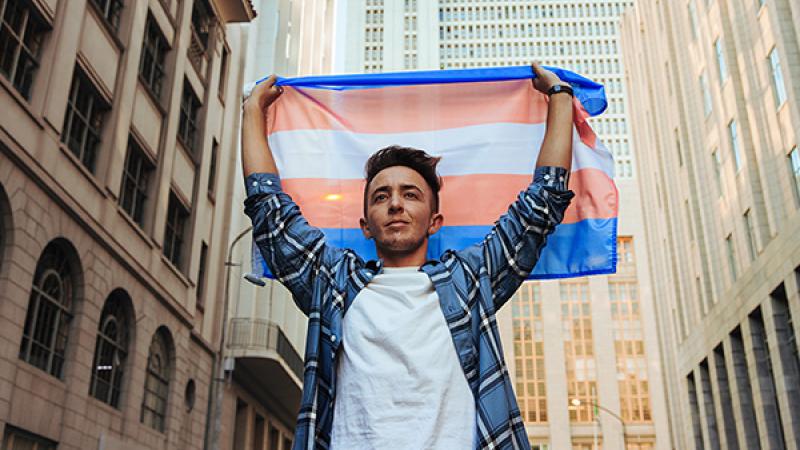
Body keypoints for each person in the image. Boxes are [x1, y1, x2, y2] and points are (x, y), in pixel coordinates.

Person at [241, 62, 575, 450]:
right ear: (366, 225)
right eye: (381, 196)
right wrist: (253, 111)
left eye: (410, 194)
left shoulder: (468, 280)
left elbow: (542, 204)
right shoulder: (333, 281)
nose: (396, 204)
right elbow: (269, 209)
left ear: (435, 222)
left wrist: (560, 97)